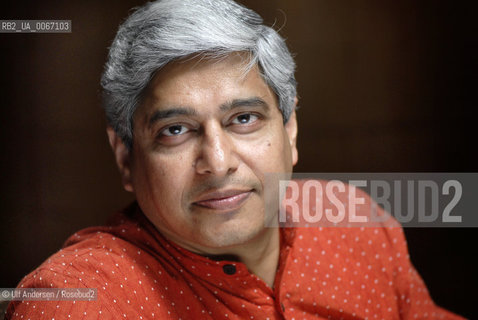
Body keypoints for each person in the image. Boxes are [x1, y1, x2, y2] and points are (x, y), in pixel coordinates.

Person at [5, 0, 464, 319]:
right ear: (126, 157)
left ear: (290, 131)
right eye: (175, 130)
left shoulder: (355, 221)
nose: (218, 162)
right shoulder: (77, 303)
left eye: (243, 118)